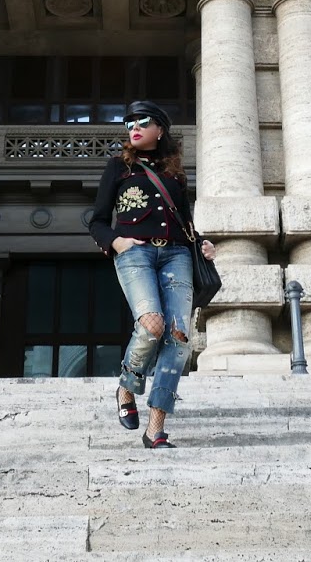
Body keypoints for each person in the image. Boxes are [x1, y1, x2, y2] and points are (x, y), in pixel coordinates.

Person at [88, 100, 216, 448]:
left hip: (177, 254)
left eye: (143, 121)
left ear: (160, 129)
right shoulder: (118, 167)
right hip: (135, 253)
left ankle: (155, 428)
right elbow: (98, 219)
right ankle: (126, 387)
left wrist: (202, 243)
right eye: (129, 121)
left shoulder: (174, 173)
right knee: (152, 323)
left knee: (178, 338)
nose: (134, 126)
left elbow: (185, 222)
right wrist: (115, 242)